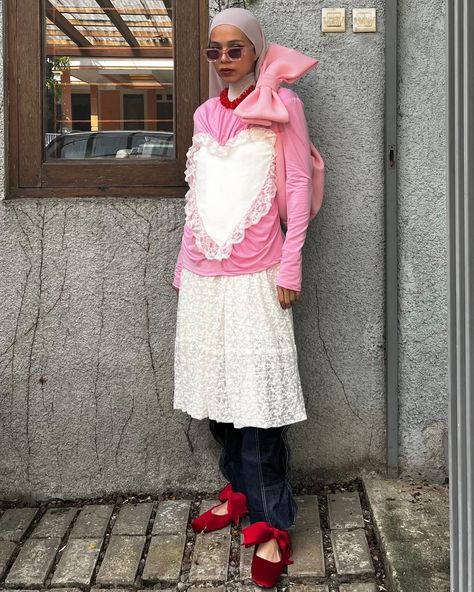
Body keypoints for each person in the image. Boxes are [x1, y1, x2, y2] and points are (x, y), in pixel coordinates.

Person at [171, 7, 319, 588]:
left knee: (257, 405)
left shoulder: (284, 108)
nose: (225, 58)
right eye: (215, 50)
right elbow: (199, 192)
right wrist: (184, 263)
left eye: (235, 48)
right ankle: (237, 493)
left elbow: (300, 184)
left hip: (260, 273)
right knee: (217, 397)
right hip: (205, 277)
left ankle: (274, 525)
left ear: (256, 51)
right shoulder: (206, 114)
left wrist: (291, 265)